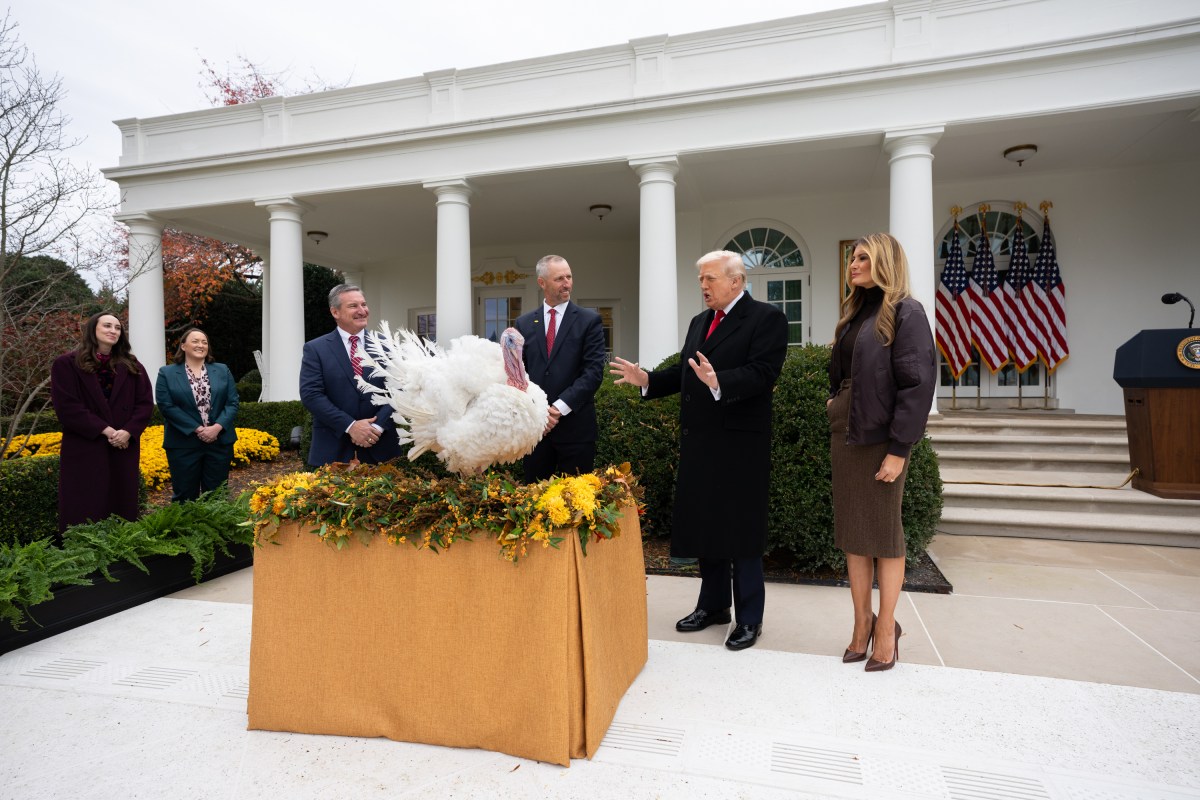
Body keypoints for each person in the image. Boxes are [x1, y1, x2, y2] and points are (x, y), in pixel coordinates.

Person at [610, 250, 787, 651]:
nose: (703, 286)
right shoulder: (700, 322)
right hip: (702, 443)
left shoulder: (766, 319)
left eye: (710, 279)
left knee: (740, 533)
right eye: (700, 280)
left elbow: (763, 372)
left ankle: (749, 619)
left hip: (740, 446)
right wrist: (648, 380)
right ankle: (713, 607)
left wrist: (718, 380)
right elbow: (685, 372)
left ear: (736, 281)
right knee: (708, 527)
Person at [828, 233, 936, 672]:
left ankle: (887, 628)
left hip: (882, 439)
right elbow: (841, 374)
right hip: (847, 435)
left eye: (863, 258)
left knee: (885, 537)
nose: (853, 264)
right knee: (855, 534)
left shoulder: (906, 312)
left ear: (885, 262)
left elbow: (917, 384)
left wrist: (899, 449)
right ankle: (861, 624)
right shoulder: (855, 313)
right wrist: (834, 401)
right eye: (853, 257)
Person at [50, 312, 154, 533]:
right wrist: (106, 430)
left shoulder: (133, 366)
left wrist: (128, 431)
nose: (113, 331)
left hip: (123, 446)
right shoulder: (67, 364)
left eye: (117, 328)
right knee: (85, 501)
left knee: (121, 502)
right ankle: (83, 554)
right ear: (93, 330)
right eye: (107, 326)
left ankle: (120, 553)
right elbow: (67, 407)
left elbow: (144, 404)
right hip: (85, 446)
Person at [514, 255, 607, 482]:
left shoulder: (589, 321)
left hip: (576, 431)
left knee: (577, 506)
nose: (567, 283)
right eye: (559, 279)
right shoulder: (524, 324)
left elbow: (593, 372)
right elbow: (518, 375)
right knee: (534, 503)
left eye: (569, 277)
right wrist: (538, 414)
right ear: (542, 283)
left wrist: (556, 410)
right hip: (536, 432)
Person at [300, 283, 402, 467]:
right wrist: (351, 426)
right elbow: (311, 395)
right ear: (335, 312)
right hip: (333, 449)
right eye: (353, 306)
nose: (362, 310)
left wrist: (376, 427)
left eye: (363, 304)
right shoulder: (315, 349)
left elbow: (399, 389)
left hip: (381, 447)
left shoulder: (387, 345)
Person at [155, 327, 240, 502]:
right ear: (183, 345)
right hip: (183, 444)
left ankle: (217, 529)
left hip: (219, 442)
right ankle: (185, 530)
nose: (200, 345)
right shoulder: (167, 373)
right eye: (195, 341)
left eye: (204, 342)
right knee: (184, 496)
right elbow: (166, 406)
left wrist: (216, 428)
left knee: (217, 496)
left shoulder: (222, 370)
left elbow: (232, 402)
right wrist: (198, 429)